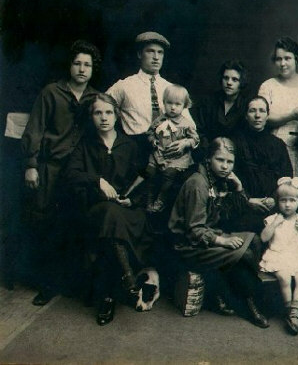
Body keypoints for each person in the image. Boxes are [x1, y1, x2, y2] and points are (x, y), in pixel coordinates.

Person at [21, 39, 102, 306]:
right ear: (70, 66)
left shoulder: (96, 99)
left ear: (93, 69)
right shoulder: (51, 92)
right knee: (45, 224)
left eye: (87, 65)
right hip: (50, 168)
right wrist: (31, 165)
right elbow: (35, 128)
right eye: (77, 63)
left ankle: (71, 283)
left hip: (78, 173)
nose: (82, 69)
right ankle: (46, 285)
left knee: (73, 225)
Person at [66, 94, 153, 326]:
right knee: (108, 214)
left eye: (108, 112)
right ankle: (129, 285)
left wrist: (131, 200)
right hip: (97, 210)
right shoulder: (85, 145)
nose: (103, 118)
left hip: (127, 212)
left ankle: (109, 294)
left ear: (116, 116)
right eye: (98, 113)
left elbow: (144, 181)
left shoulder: (129, 145)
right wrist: (97, 181)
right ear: (91, 117)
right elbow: (71, 174)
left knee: (113, 219)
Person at [168, 137, 270, 328]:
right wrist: (222, 241)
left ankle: (242, 291)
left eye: (229, 162)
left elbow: (235, 212)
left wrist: (238, 188)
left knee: (255, 240)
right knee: (245, 254)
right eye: (220, 160)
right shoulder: (198, 183)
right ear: (208, 159)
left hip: (210, 234)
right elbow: (194, 229)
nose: (225, 166)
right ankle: (252, 302)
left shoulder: (219, 180)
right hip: (189, 245)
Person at [106, 32, 191, 165]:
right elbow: (101, 108)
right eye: (150, 51)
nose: (156, 57)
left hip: (168, 151)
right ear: (140, 54)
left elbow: (190, 124)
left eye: (160, 52)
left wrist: (185, 142)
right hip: (136, 151)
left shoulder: (172, 89)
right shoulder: (124, 86)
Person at [258, 37, 298, 197]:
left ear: (297, 59)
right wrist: (292, 115)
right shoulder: (268, 86)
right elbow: (263, 118)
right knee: (281, 195)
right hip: (276, 147)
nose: (283, 63)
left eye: (287, 58)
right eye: (278, 59)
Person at [231, 96, 293, 232]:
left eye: (262, 111)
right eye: (252, 111)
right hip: (243, 207)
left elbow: (287, 176)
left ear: (267, 115)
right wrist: (247, 200)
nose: (257, 115)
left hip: (273, 208)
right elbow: (229, 175)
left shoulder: (278, 144)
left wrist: (274, 199)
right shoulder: (235, 142)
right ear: (246, 116)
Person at [260, 177, 298, 335]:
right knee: (284, 277)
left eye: (292, 200)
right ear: (278, 201)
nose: (288, 204)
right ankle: (289, 311)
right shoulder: (272, 219)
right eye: (283, 200)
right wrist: (274, 224)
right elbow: (264, 238)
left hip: (296, 256)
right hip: (277, 256)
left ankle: (294, 313)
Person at [145, 84, 199, 212]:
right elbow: (150, 132)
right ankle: (149, 199)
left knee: (169, 175)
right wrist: (153, 140)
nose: (173, 107)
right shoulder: (159, 120)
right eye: (169, 103)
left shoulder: (186, 124)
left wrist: (186, 143)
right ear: (164, 103)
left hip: (177, 158)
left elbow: (195, 139)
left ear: (184, 106)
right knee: (150, 172)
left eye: (177, 104)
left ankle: (161, 199)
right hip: (159, 154)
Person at [192, 60, 249, 158]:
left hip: (234, 157)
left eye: (234, 79)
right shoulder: (208, 102)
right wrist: (208, 151)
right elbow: (199, 129)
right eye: (226, 78)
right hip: (207, 153)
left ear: (241, 82)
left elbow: (244, 139)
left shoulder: (246, 106)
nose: (229, 83)